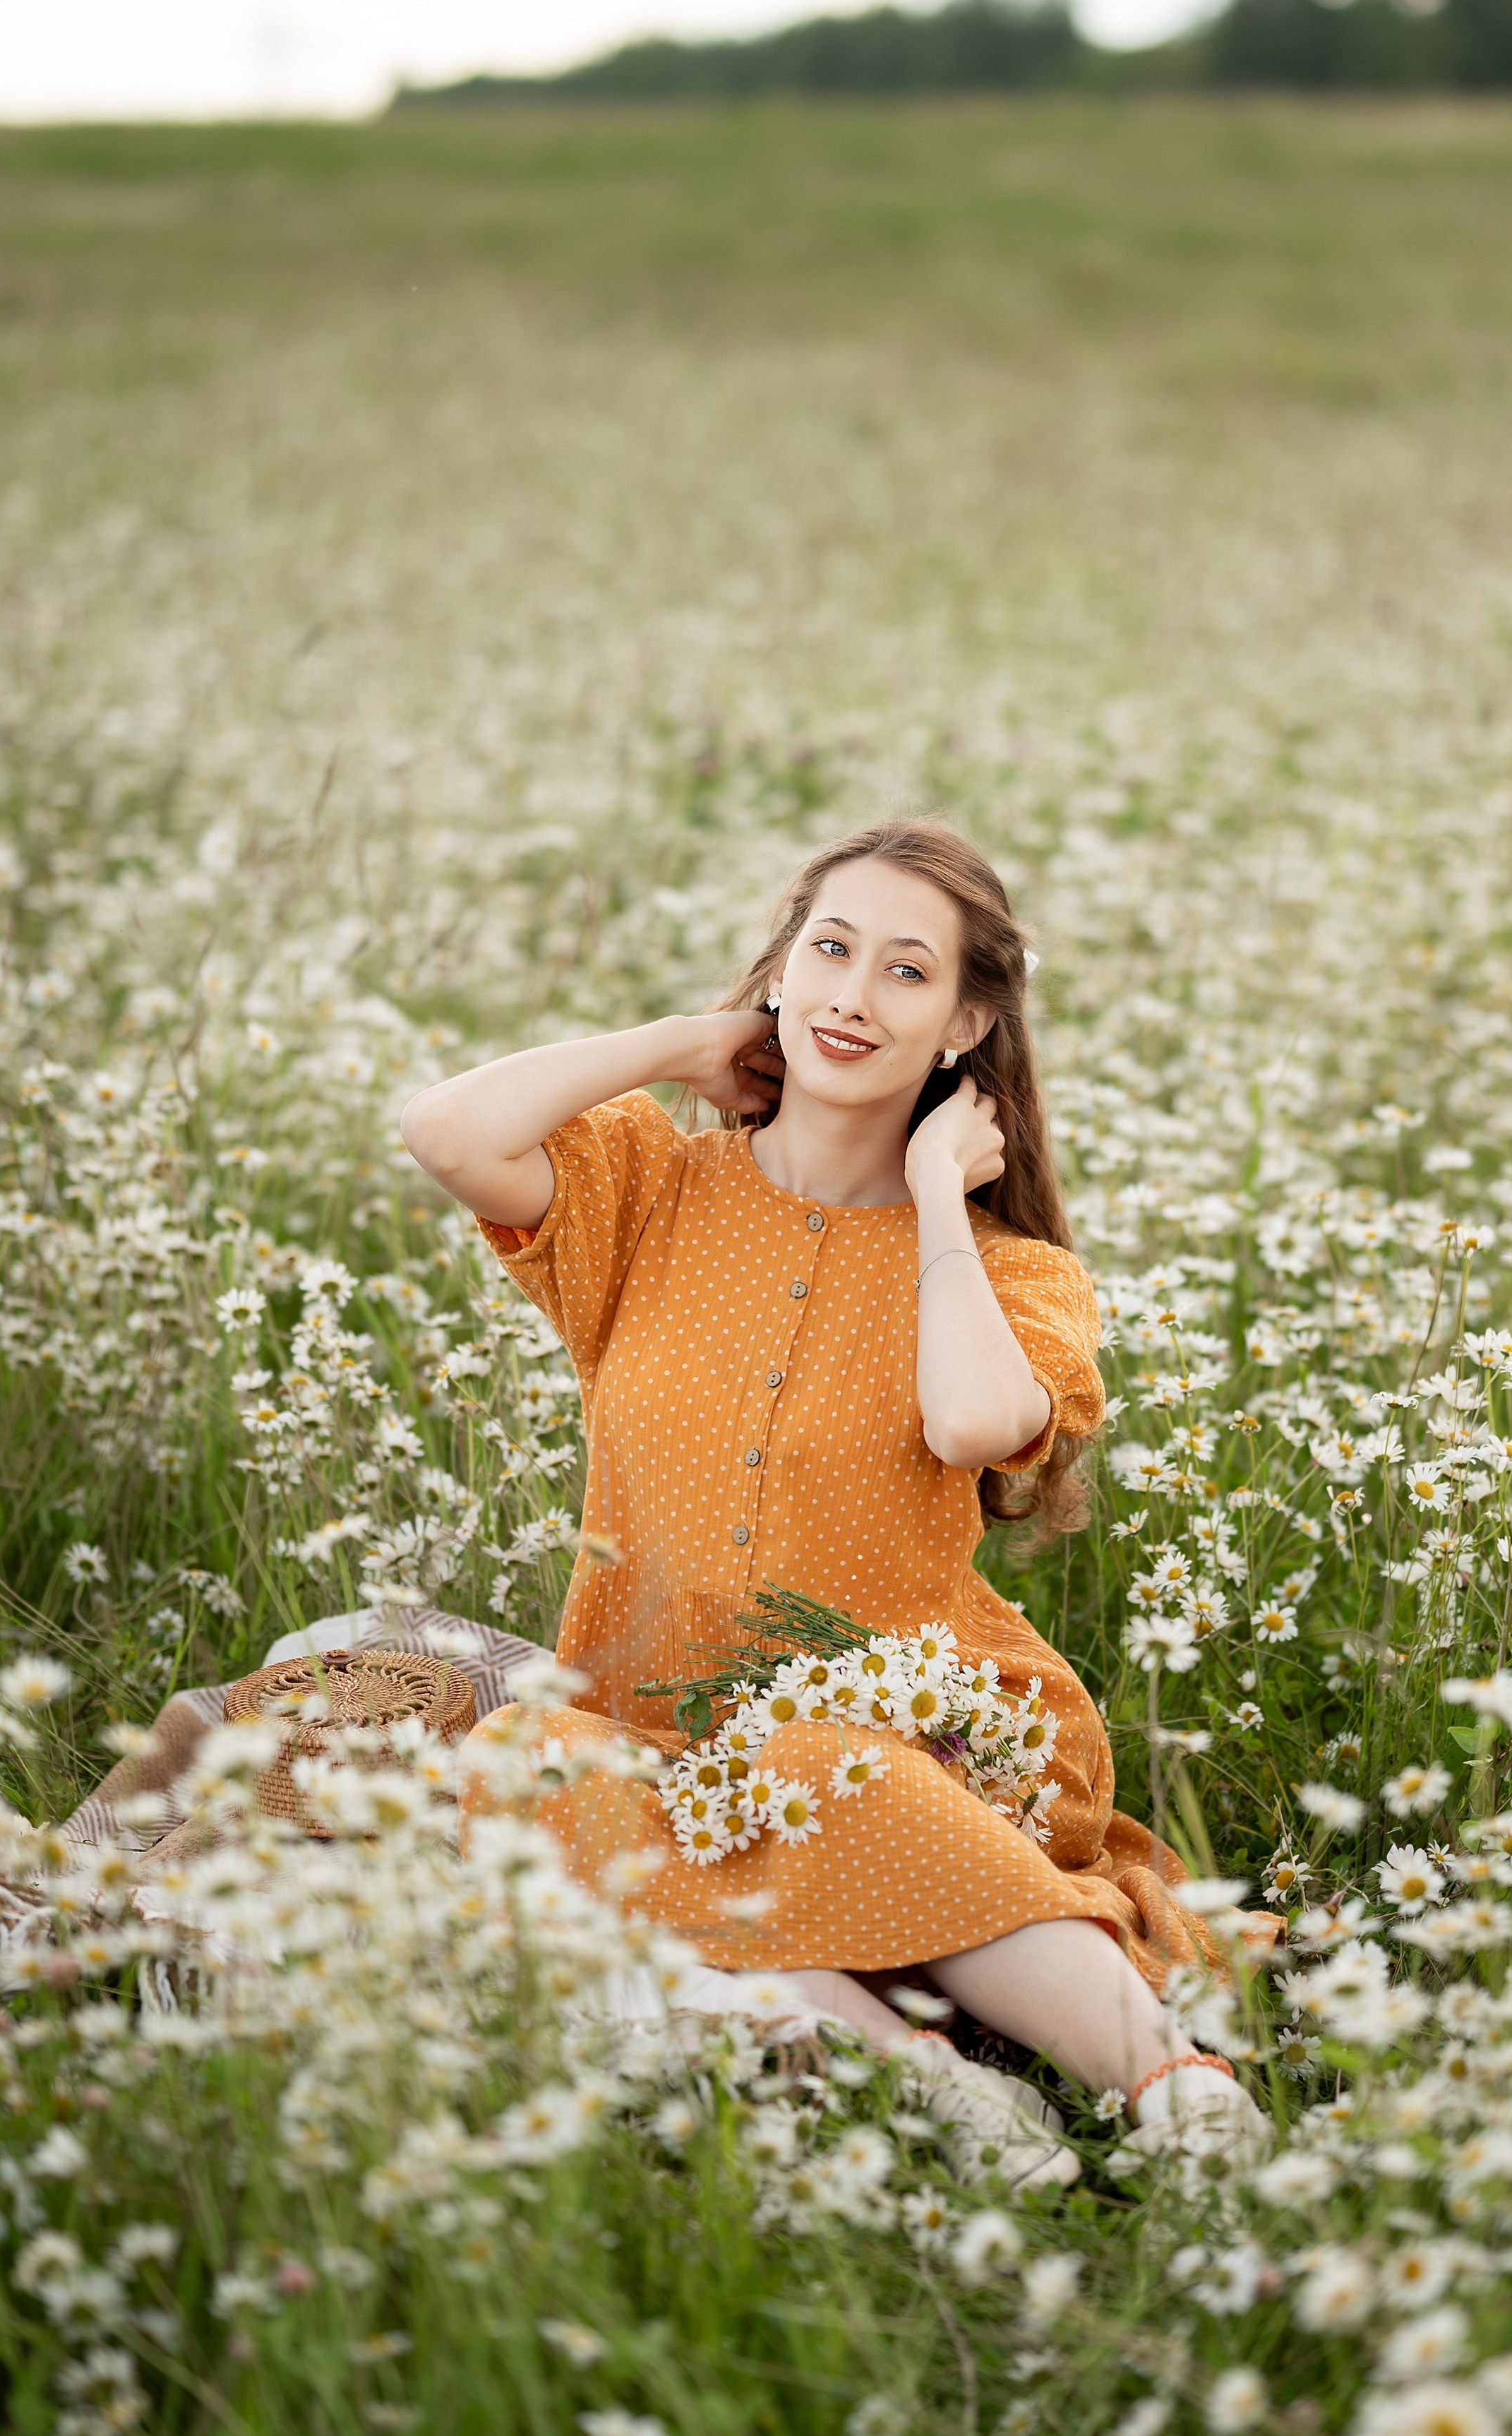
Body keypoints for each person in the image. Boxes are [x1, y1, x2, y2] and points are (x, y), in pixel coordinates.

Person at [402, 819, 1261, 2175]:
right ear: (782, 969)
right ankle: (941, 2088)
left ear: (966, 1024)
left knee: (813, 1769)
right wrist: (689, 1043)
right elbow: (442, 1129)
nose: (854, 997)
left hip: (921, 1726)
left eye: (907, 972)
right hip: (660, 1730)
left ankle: (1179, 2088)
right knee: (526, 1767)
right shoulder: (648, 1186)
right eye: (831, 950)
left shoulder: (1014, 1274)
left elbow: (974, 1423)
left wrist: (934, 1199)